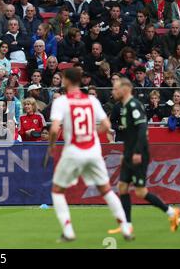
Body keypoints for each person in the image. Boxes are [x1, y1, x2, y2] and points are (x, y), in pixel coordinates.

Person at [47, 68, 133, 242]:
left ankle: (68, 230)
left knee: (57, 191)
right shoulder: (91, 100)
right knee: (106, 189)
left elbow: (55, 128)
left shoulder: (62, 101)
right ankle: (125, 226)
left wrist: (51, 145)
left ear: (66, 81)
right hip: (93, 150)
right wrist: (92, 132)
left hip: (74, 151)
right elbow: (107, 125)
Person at [108, 77, 180, 235]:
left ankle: (171, 212)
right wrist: (126, 153)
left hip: (138, 154)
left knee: (140, 191)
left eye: (116, 89)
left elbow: (142, 130)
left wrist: (135, 152)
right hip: (130, 153)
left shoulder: (134, 106)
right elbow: (130, 134)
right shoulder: (124, 107)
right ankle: (127, 226)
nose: (113, 91)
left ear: (125, 89)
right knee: (122, 187)